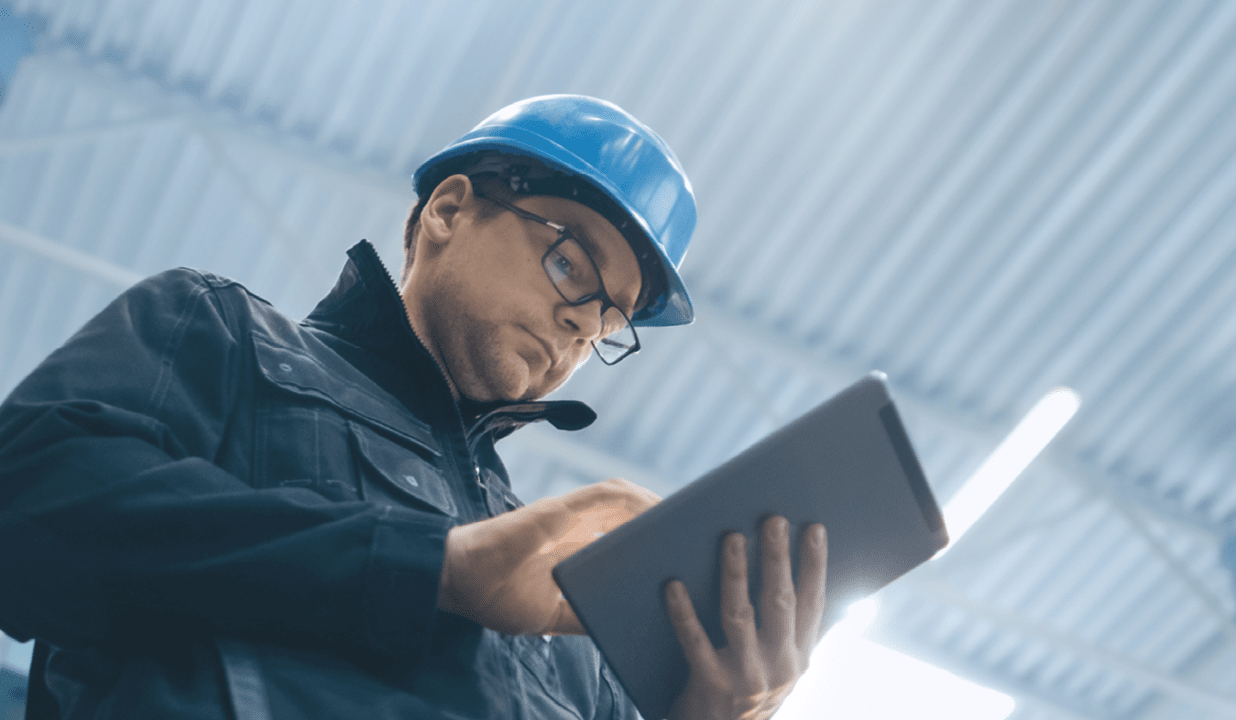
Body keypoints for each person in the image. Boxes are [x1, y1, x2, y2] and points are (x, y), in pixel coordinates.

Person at [0, 95, 827, 720]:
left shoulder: (568, 601)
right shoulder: (224, 334)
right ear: (448, 210)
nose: (585, 323)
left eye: (611, 317)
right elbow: (31, 508)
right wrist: (434, 568)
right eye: (572, 265)